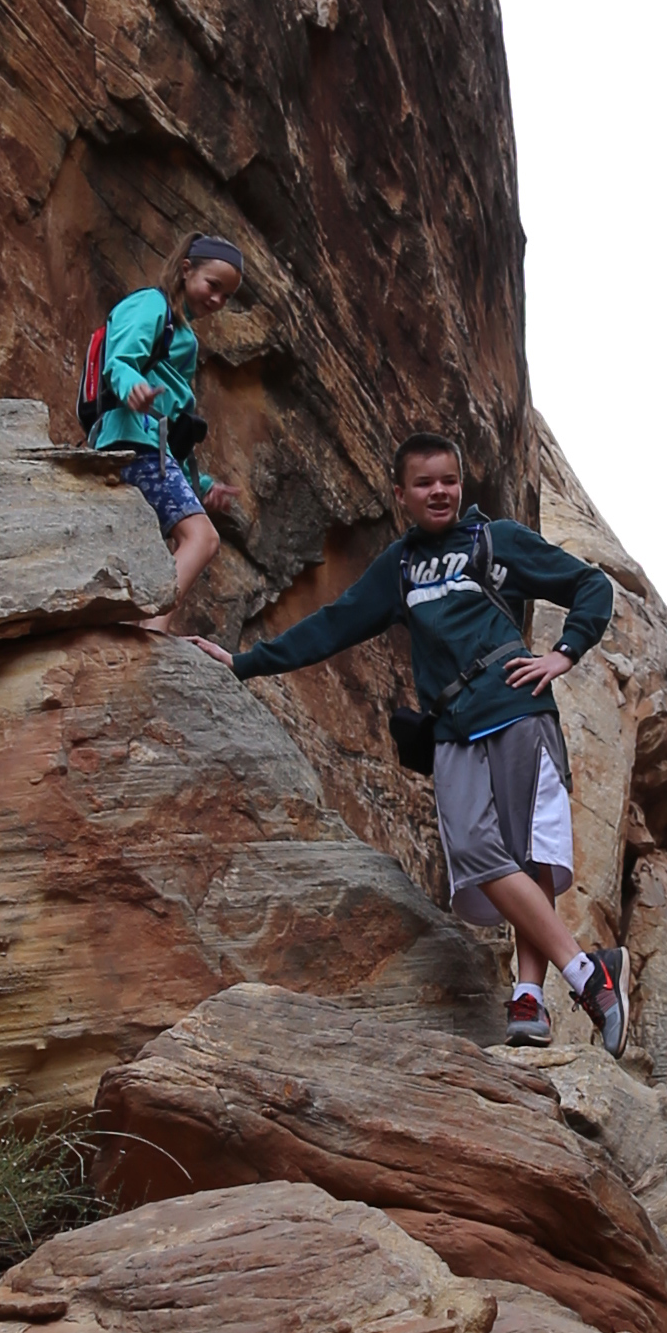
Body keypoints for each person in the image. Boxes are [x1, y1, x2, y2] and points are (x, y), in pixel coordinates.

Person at [227, 426, 627, 1053]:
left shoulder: (496, 540)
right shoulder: (400, 568)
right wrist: (240, 663)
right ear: (400, 496)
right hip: (454, 728)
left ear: (460, 485)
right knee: (474, 851)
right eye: (424, 483)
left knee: (528, 858)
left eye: (448, 480)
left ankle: (529, 999)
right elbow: (332, 625)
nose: (439, 492)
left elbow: (592, 586)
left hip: (520, 711)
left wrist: (563, 653)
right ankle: (588, 973)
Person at [88, 233, 252, 631]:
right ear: (185, 270)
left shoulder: (184, 338)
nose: (216, 301)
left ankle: (143, 629)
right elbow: (120, 359)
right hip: (130, 443)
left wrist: (202, 484)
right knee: (202, 539)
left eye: (226, 296)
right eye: (213, 286)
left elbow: (175, 432)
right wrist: (132, 389)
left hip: (150, 448)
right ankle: (151, 633)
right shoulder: (150, 305)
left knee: (178, 544)